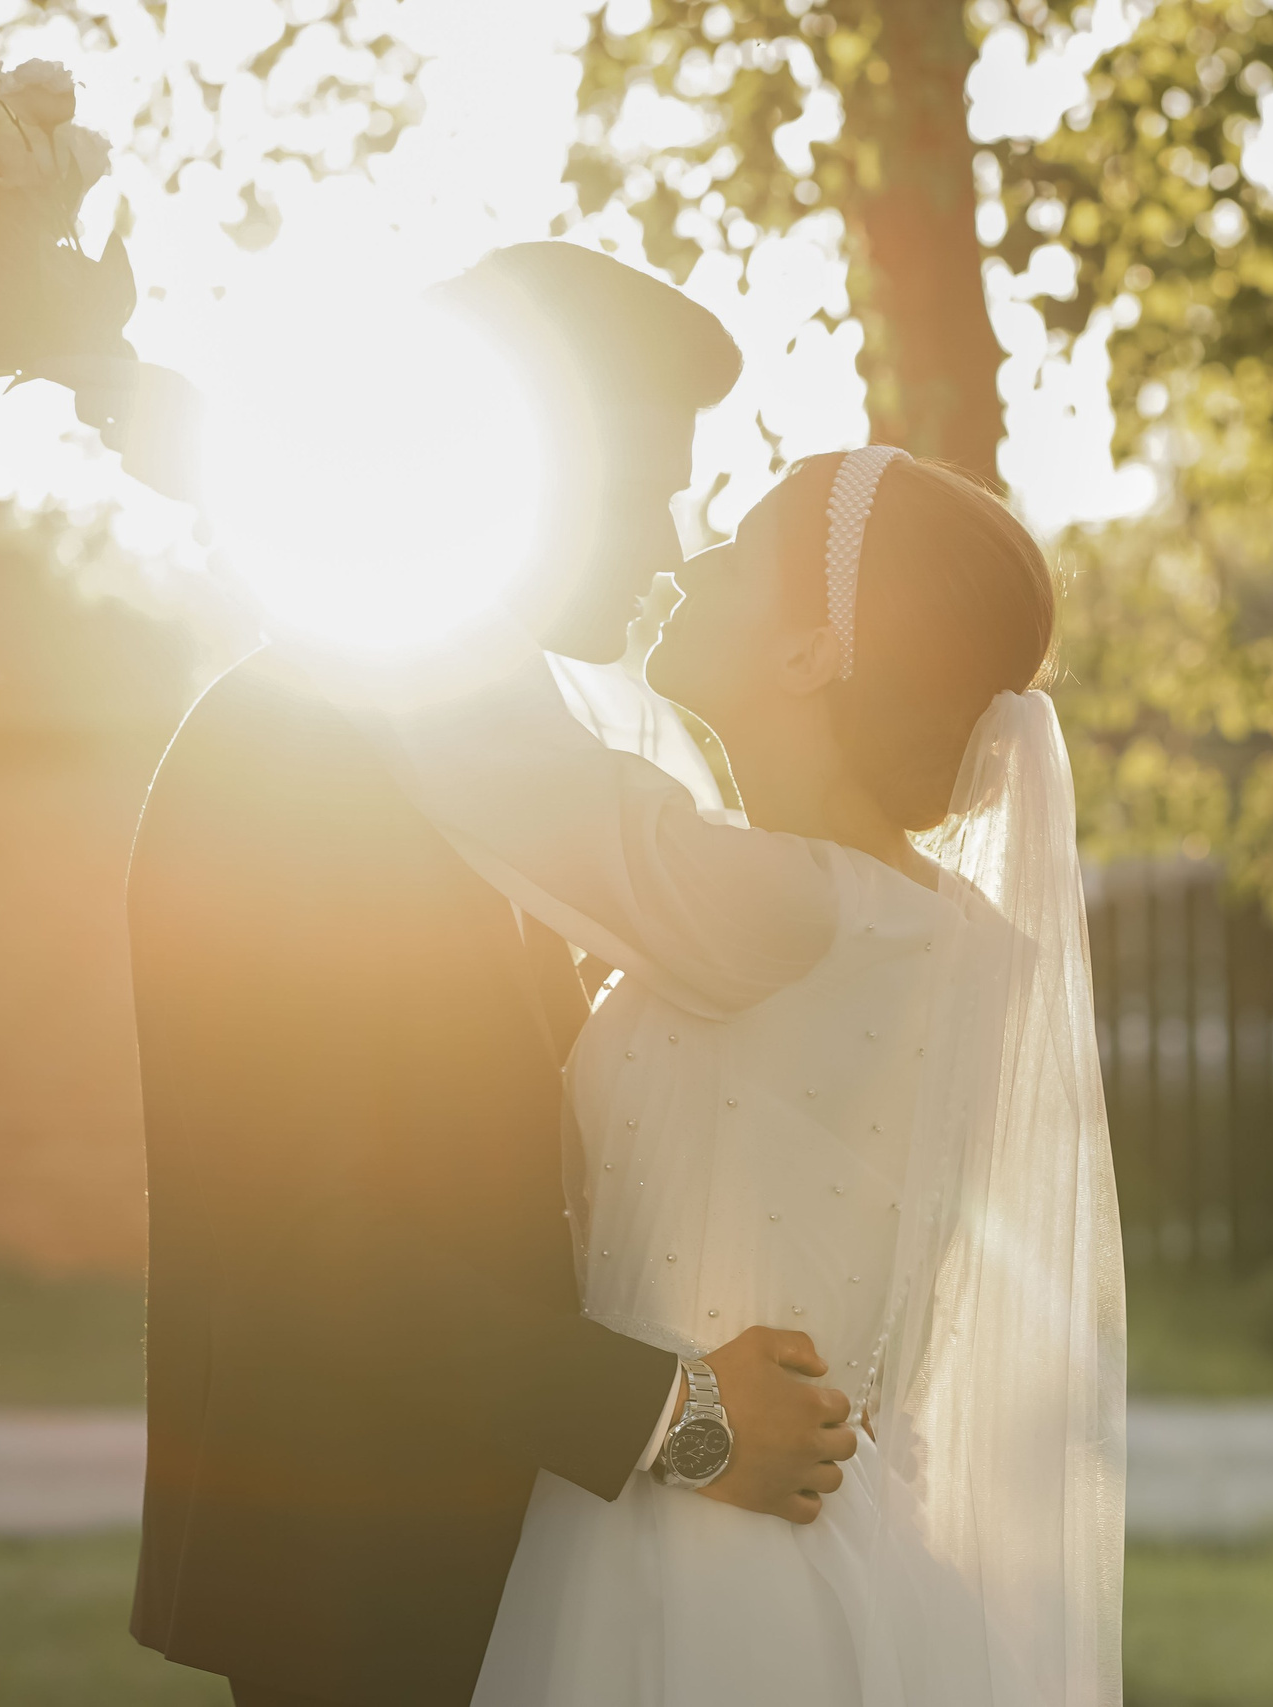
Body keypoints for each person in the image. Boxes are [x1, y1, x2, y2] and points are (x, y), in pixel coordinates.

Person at [116, 243, 865, 1707]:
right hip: (367, 1582)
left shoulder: (468, 746)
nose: (666, 543)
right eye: (646, 486)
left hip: (482, 1557)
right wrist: (684, 1418)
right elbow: (308, 1261)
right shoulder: (293, 754)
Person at [369, 447, 1128, 1705]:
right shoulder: (948, 938)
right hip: (821, 1537)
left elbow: (491, 755)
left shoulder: (788, 911)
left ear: (806, 654)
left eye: (735, 546)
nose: (684, 560)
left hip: (687, 1553)